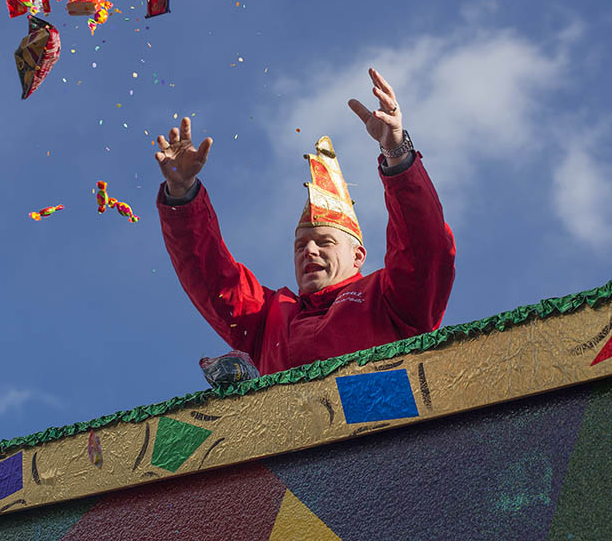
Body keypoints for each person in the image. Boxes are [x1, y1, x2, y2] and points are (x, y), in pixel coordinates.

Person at [153, 68, 456, 376]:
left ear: (358, 255)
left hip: (390, 422)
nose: (308, 251)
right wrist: (181, 194)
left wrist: (396, 151)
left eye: (324, 241)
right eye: (300, 245)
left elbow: (425, 247)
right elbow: (210, 276)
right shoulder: (268, 316)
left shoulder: (388, 297)